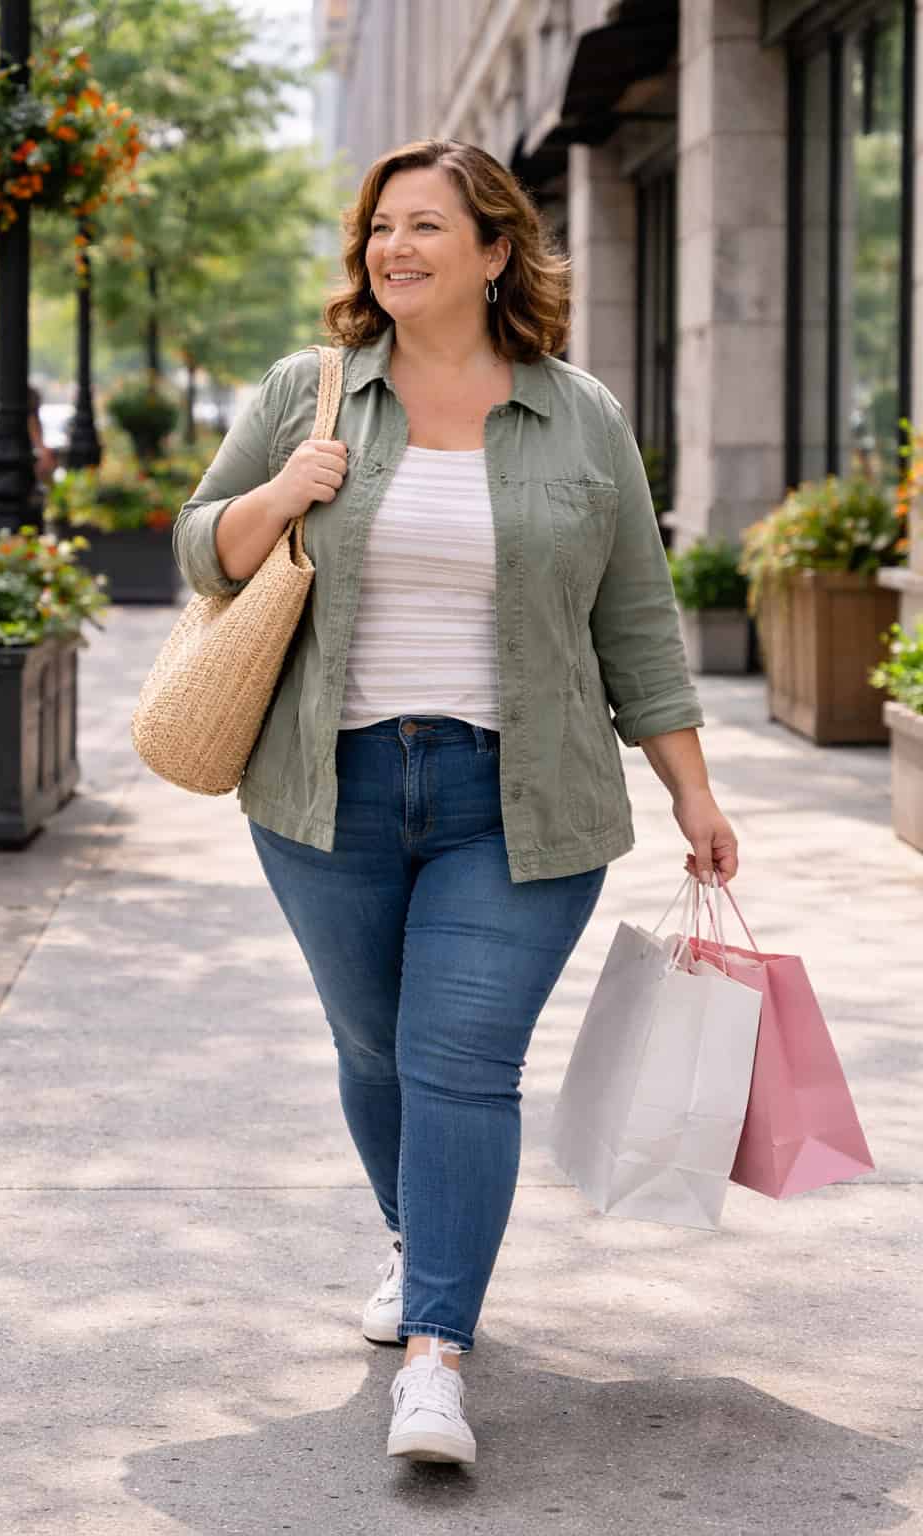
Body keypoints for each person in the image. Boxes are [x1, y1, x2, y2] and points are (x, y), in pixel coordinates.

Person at [173, 139, 738, 1468]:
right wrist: (280, 492)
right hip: (331, 791)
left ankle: (437, 1355)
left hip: (519, 800)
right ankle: (412, 1237)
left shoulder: (580, 414)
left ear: (496, 252)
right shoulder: (308, 394)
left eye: (428, 226)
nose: (394, 248)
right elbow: (202, 546)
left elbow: (638, 624)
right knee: (376, 1055)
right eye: (381, 227)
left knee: (460, 1066)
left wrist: (693, 790)